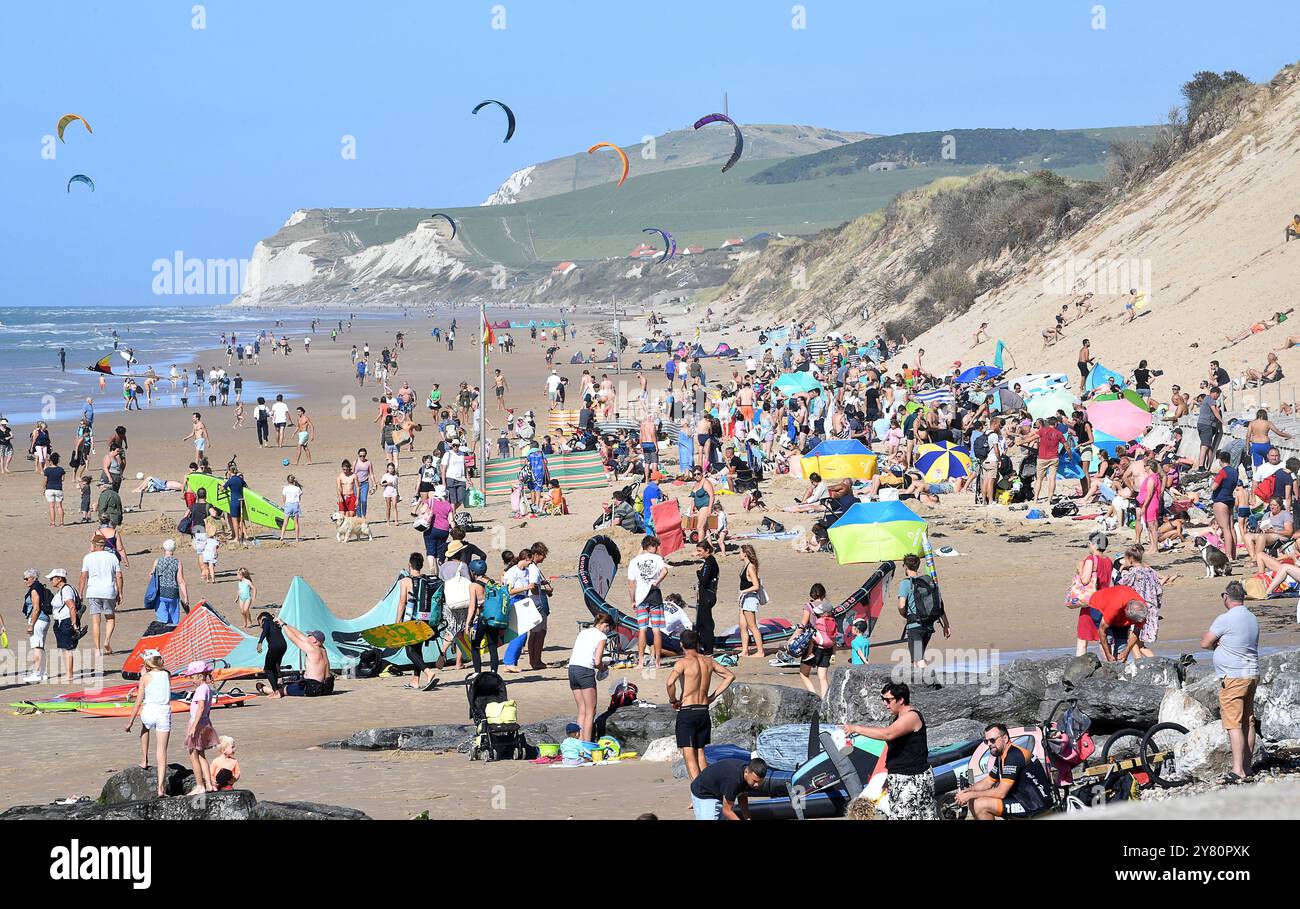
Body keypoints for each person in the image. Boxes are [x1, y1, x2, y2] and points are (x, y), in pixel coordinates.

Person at [843, 682, 937, 820]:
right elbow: (895, 750)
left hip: (913, 779)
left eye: (888, 700)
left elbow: (887, 734)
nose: (885, 704)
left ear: (901, 700)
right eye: (883, 699)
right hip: (899, 778)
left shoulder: (911, 717)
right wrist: (888, 778)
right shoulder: (897, 718)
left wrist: (855, 728)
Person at [1201, 581, 1260, 783]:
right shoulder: (1252, 618)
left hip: (1234, 677)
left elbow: (1205, 642)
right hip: (1251, 674)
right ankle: (1247, 766)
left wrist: (1217, 645)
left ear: (1226, 597)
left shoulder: (1225, 619)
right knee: (1247, 722)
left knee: (1234, 724)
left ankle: (1238, 770)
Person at [666, 628, 736, 783]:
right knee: (701, 754)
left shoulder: (683, 662)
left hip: (688, 710)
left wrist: (673, 701)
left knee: (689, 755)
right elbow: (730, 676)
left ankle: (698, 793)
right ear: (697, 644)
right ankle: (708, 790)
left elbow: (670, 682)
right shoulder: (708, 661)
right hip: (703, 710)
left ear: (681, 644)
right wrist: (712, 696)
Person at [954, 723, 1054, 819]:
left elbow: (1000, 793)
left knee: (980, 805)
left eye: (992, 740)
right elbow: (988, 781)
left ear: (1005, 738)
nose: (989, 744)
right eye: (986, 741)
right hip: (1022, 799)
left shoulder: (1014, 756)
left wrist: (970, 795)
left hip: (1035, 803)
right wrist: (968, 791)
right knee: (972, 800)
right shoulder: (1001, 756)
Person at [123, 649, 172, 797]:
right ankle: (160, 789)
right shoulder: (167, 675)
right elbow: (161, 675)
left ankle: (144, 759)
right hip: (163, 712)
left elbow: (138, 702)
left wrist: (130, 722)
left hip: (149, 711)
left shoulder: (145, 678)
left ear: (147, 664)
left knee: (145, 727)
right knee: (161, 752)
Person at [897, 553, 949, 669]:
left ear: (905, 566)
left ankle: (934, 684)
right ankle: (919, 685)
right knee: (915, 660)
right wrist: (946, 625)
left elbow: (901, 605)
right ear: (917, 566)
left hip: (915, 627)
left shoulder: (906, 583)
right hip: (928, 627)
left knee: (919, 661)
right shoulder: (928, 582)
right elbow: (939, 604)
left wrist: (904, 615)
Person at [569, 610, 613, 743]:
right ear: (605, 625)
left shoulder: (584, 632)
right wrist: (603, 668)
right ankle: (586, 745)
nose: (608, 632)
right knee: (590, 710)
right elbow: (597, 661)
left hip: (572, 669)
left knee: (581, 710)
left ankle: (578, 744)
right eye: (609, 629)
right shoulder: (601, 637)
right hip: (585, 671)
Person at [256, 623, 332, 697]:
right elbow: (299, 635)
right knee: (295, 680)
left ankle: (266, 690)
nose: (307, 636)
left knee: (283, 690)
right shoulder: (323, 649)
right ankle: (278, 687)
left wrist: (282, 625)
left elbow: (292, 637)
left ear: (314, 641)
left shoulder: (311, 649)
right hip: (327, 688)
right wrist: (284, 623)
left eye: (310, 636)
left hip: (313, 688)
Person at [627, 535, 669, 669]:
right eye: (655, 546)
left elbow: (631, 584)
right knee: (656, 630)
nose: (657, 549)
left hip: (641, 597)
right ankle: (657, 662)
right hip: (655, 594)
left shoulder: (634, 561)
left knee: (642, 629)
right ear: (650, 546)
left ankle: (640, 662)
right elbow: (665, 570)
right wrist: (657, 581)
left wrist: (632, 600)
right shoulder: (657, 559)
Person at [179, 660, 219, 793]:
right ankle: (208, 784)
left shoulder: (201, 689)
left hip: (198, 722)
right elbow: (207, 709)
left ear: (200, 676)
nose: (191, 680)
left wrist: (193, 727)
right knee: (201, 754)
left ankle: (200, 785)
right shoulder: (207, 688)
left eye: (192, 677)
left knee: (193, 754)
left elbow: (200, 708)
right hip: (205, 721)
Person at [80, 533, 122, 656]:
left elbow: (83, 577)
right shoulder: (112, 557)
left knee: (95, 621)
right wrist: (120, 592)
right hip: (108, 591)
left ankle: (97, 649)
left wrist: (81, 592)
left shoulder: (88, 557)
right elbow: (119, 575)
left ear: (95, 545)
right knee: (110, 618)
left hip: (93, 591)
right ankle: (107, 640)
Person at [689, 758, 768, 821]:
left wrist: (748, 818)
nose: (757, 785)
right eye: (755, 781)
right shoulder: (734, 781)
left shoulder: (749, 776)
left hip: (719, 790)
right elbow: (727, 811)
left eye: (760, 782)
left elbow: (742, 798)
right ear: (746, 772)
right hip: (703, 792)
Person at [1071, 532, 1111, 656]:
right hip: (1105, 601)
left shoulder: (1091, 559)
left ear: (1094, 545)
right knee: (1103, 637)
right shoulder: (1108, 560)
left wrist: (1079, 569)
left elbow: (1085, 580)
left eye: (1089, 543)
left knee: (1083, 637)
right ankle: (1110, 666)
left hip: (1091, 601)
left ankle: (1079, 666)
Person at [1093, 585, 1148, 663]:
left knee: (1122, 641)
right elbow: (1102, 631)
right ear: (1126, 613)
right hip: (1099, 604)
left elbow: (1136, 632)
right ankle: (1107, 664)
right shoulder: (1115, 606)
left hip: (1120, 605)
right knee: (1108, 637)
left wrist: (1126, 651)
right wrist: (1108, 654)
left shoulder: (1142, 610)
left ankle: (1119, 663)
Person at [21, 568, 52, 682]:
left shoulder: (34, 590)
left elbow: (36, 608)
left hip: (38, 619)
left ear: (33, 578)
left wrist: (31, 624)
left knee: (36, 647)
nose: (24, 581)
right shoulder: (40, 587)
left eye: (26, 579)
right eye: (24, 579)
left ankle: (37, 672)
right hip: (43, 620)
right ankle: (43, 672)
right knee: (40, 646)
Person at [149, 539, 188, 625]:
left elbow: (152, 577)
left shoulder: (158, 561)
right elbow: (181, 581)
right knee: (173, 621)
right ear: (174, 549)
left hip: (160, 593)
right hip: (173, 594)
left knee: (162, 621)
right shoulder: (177, 563)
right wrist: (185, 597)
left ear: (164, 548)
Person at [736, 544, 764, 659]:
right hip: (745, 599)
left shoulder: (750, 567)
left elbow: (756, 586)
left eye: (740, 552)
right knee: (742, 626)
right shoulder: (745, 565)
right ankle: (744, 650)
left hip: (750, 599)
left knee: (752, 626)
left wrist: (743, 591)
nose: (739, 554)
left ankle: (760, 652)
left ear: (745, 554)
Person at [694, 540, 719, 654]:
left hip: (708, 597)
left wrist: (698, 572)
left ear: (707, 550)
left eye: (700, 551)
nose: (698, 553)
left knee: (706, 624)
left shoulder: (709, 562)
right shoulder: (709, 561)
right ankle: (703, 646)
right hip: (707, 596)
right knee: (700, 623)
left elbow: (703, 580)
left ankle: (709, 650)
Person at [255, 610, 287, 691]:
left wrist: (260, 642)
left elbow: (265, 630)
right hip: (283, 645)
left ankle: (275, 690)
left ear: (262, 618)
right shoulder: (275, 623)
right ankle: (278, 686)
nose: (260, 626)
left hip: (275, 646)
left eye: (259, 622)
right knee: (275, 666)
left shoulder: (266, 620)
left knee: (268, 669)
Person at [1196, 386, 1224, 471]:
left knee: (1207, 445)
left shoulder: (1206, 399)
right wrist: (1222, 421)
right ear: (1215, 393)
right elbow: (1215, 410)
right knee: (1205, 445)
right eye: (1218, 395)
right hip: (1206, 425)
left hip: (1202, 424)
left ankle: (1207, 466)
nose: (1217, 397)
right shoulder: (1210, 399)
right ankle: (1201, 467)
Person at [42, 451, 66, 526]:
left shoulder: (47, 470)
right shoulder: (61, 469)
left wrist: (43, 488)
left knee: (51, 507)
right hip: (58, 488)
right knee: (59, 506)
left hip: (49, 489)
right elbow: (63, 479)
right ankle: (61, 522)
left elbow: (45, 480)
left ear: (51, 461)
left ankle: (52, 523)